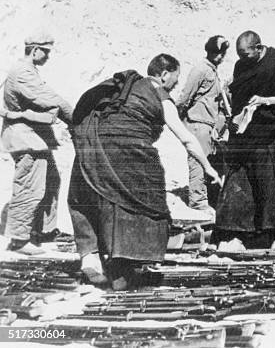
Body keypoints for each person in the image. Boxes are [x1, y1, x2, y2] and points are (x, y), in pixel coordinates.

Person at [68, 54, 220, 289]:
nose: (176, 85)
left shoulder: (122, 88)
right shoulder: (160, 96)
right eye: (175, 80)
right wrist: (208, 168)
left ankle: (90, 255)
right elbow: (187, 140)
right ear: (164, 75)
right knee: (146, 196)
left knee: (94, 196)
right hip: (125, 152)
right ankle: (123, 266)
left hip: (91, 149)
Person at [213, 31, 275, 249]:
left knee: (271, 186)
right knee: (240, 182)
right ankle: (237, 232)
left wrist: (266, 100)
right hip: (247, 134)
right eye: (239, 56)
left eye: (246, 55)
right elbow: (239, 97)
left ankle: (273, 235)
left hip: (273, 134)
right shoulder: (242, 65)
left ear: (259, 47)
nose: (242, 60)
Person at [1, 31, 73, 255]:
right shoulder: (24, 73)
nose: (48, 57)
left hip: (35, 138)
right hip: (26, 139)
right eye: (46, 52)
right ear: (35, 50)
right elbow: (51, 101)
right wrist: (76, 119)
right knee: (30, 187)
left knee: (51, 181)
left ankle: (43, 232)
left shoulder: (28, 70)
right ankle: (19, 239)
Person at [176, 35, 230, 212]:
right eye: (217, 53)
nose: (220, 57)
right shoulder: (201, 70)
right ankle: (198, 202)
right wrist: (177, 118)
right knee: (198, 162)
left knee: (206, 161)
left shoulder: (212, 71)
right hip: (198, 123)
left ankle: (203, 198)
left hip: (207, 125)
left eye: (222, 53)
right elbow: (185, 96)